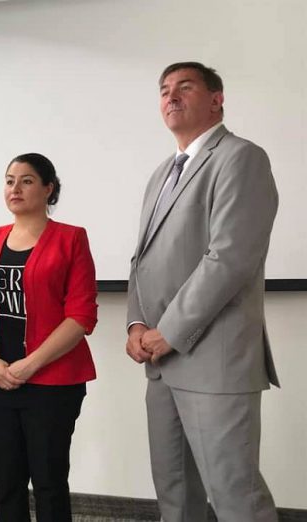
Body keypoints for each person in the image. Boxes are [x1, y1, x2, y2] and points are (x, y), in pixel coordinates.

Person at [126, 62, 279, 521]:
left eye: (185, 87)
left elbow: (228, 259)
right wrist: (136, 323)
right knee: (176, 495)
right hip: (160, 362)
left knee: (236, 495)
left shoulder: (241, 158)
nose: (171, 96)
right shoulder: (161, 174)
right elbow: (142, 260)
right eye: (164, 90)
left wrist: (167, 331)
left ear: (217, 98)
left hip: (215, 362)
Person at [0, 153, 98, 522]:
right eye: (9, 180)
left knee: (50, 482)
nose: (15, 189)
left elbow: (81, 315)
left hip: (52, 383)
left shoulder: (71, 239)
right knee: (7, 481)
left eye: (27, 181)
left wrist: (29, 365)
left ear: (48, 189)